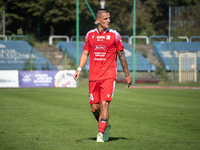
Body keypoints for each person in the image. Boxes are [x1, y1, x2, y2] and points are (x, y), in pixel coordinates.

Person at [73, 9, 132, 142]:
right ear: (98, 20)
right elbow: (85, 53)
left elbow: (121, 55)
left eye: (109, 18)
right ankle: (105, 125)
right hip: (93, 76)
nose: (108, 21)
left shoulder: (115, 35)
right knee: (95, 108)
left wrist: (127, 74)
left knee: (104, 104)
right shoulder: (89, 35)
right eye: (105, 19)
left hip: (109, 75)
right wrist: (79, 69)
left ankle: (101, 133)